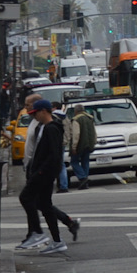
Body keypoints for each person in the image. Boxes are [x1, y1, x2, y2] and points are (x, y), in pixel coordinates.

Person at [16, 96, 79, 255]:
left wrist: (41, 171)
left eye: (35, 113)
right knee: (45, 206)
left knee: (26, 197)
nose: (33, 116)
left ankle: (37, 232)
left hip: (44, 172)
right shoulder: (44, 127)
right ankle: (57, 241)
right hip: (43, 170)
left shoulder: (51, 128)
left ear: (44, 111)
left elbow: (54, 154)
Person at [67, 103, 98, 188]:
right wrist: (94, 142)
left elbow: (76, 134)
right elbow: (94, 132)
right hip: (89, 144)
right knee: (85, 162)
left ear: (76, 111)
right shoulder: (90, 118)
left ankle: (82, 178)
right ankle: (85, 182)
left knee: (74, 162)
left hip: (80, 145)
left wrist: (74, 147)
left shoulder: (76, 119)